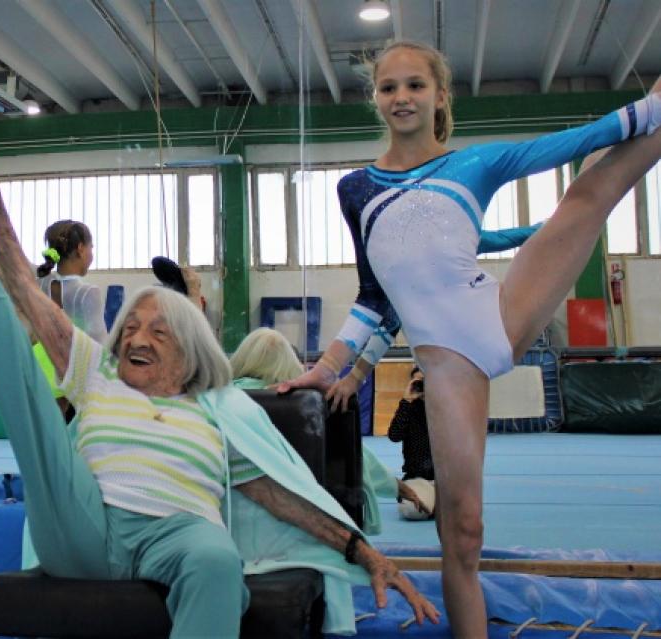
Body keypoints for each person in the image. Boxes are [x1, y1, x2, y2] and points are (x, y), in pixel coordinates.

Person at [0, 148, 440, 636]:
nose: (137, 337)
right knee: (31, 400)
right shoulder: (98, 372)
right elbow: (28, 293)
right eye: (131, 327)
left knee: (216, 562)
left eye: (158, 332)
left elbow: (285, 499)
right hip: (85, 524)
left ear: (188, 353)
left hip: (180, 533)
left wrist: (368, 555)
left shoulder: (217, 413)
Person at [279, 39, 661, 634]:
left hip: (501, 312)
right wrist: (336, 368)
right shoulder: (356, 189)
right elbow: (376, 295)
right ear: (375, 99)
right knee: (462, 531)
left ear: (439, 96)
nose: (401, 97)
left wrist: (644, 112)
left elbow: (563, 144)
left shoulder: (473, 164)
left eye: (414, 86)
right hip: (448, 368)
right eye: (389, 88)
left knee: (587, 196)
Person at [325, 223, 541, 413]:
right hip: (452, 351)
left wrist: (547, 225)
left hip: (474, 337)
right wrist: (355, 376)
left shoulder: (449, 244)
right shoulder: (405, 268)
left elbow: (507, 238)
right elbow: (388, 323)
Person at [229, 328, 429, 532]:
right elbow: (357, 457)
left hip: (233, 510)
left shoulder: (219, 402)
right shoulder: (308, 404)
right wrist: (397, 486)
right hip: (307, 514)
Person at [38, 220, 107, 342]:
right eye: (91, 247)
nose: (91, 254)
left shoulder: (40, 283)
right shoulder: (88, 293)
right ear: (80, 248)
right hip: (71, 360)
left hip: (39, 359)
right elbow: (99, 345)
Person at [388, 367, 436, 520]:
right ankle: (433, 505)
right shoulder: (409, 408)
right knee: (412, 510)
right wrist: (406, 401)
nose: (421, 385)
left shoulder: (445, 407)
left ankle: (436, 504)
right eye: (417, 382)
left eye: (425, 381)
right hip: (418, 478)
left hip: (445, 479)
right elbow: (394, 436)